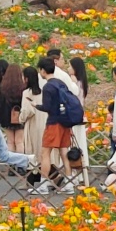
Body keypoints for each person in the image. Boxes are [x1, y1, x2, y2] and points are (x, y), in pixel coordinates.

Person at [39, 59, 83, 188]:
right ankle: (69, 182)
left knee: (45, 152)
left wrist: (35, 105)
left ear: (42, 70)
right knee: (64, 151)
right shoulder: (60, 83)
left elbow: (47, 107)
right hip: (65, 122)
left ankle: (43, 182)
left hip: (53, 123)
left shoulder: (48, 86)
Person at [17, 67, 46, 163]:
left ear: (26, 78)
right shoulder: (43, 92)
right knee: (42, 147)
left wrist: (20, 119)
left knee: (32, 147)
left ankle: (34, 170)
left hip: (32, 123)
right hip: (43, 122)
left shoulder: (26, 93)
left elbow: (27, 111)